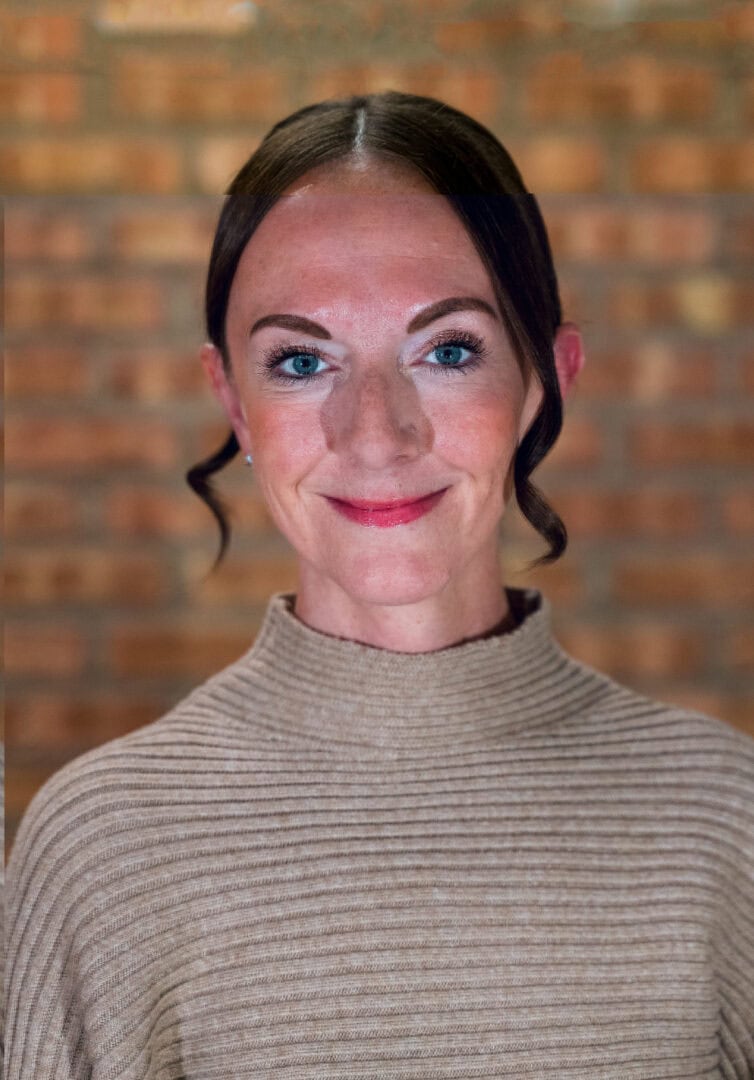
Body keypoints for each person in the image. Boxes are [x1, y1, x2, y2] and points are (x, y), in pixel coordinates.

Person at [5, 91, 754, 1079]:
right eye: (301, 360)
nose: (374, 429)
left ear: (546, 378)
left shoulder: (724, 821)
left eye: (446, 350)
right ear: (230, 397)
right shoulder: (103, 843)